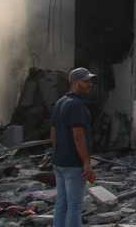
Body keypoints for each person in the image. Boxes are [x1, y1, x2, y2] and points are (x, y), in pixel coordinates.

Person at [50, 68, 96, 227]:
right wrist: (86, 163)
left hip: (60, 162)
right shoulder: (76, 105)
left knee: (62, 204)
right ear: (76, 83)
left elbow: (53, 132)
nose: (90, 84)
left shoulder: (60, 102)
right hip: (74, 164)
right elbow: (78, 136)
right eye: (86, 81)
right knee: (74, 207)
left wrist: (57, 153)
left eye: (90, 80)